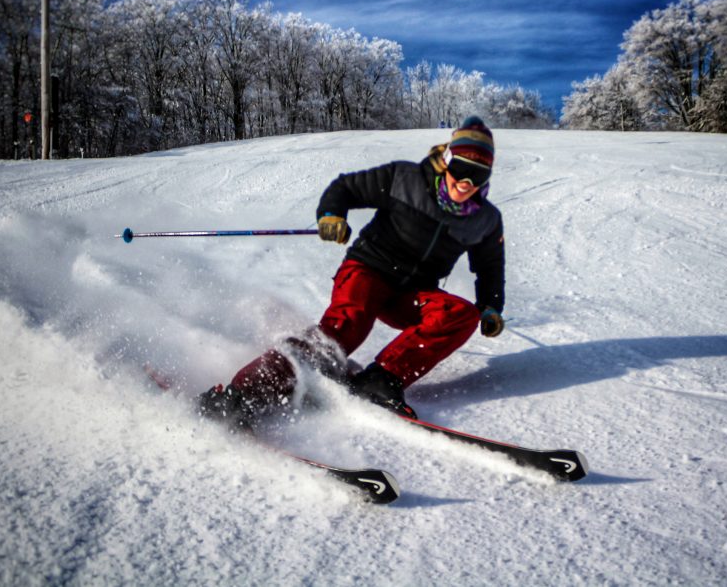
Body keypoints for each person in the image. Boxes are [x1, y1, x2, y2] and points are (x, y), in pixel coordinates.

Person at [198, 116, 506, 430]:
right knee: (348, 325)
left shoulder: (485, 220)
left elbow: (490, 267)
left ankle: (382, 377)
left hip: (411, 293)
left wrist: (491, 306)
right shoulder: (406, 178)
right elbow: (346, 188)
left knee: (459, 314)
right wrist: (332, 214)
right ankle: (243, 394)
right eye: (462, 169)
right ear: (446, 161)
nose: (467, 183)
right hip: (367, 270)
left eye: (478, 175)